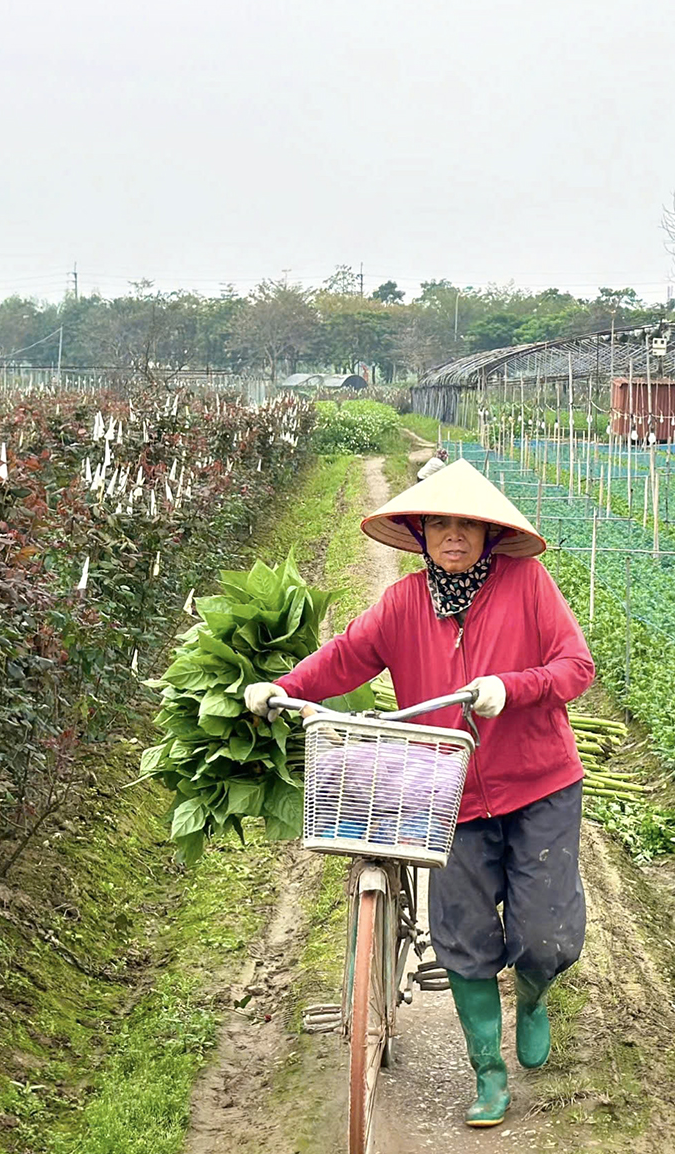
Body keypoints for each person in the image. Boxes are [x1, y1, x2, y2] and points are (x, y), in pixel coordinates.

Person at [244, 459, 593, 1128]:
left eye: (466, 522)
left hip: (541, 783)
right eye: (440, 521)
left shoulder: (526, 584)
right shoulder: (403, 604)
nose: (453, 534)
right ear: (421, 532)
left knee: (545, 934)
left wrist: (511, 687)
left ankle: (534, 988)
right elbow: (346, 656)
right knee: (460, 936)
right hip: (448, 793)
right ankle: (489, 1072)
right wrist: (284, 687)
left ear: (489, 535)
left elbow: (576, 666)